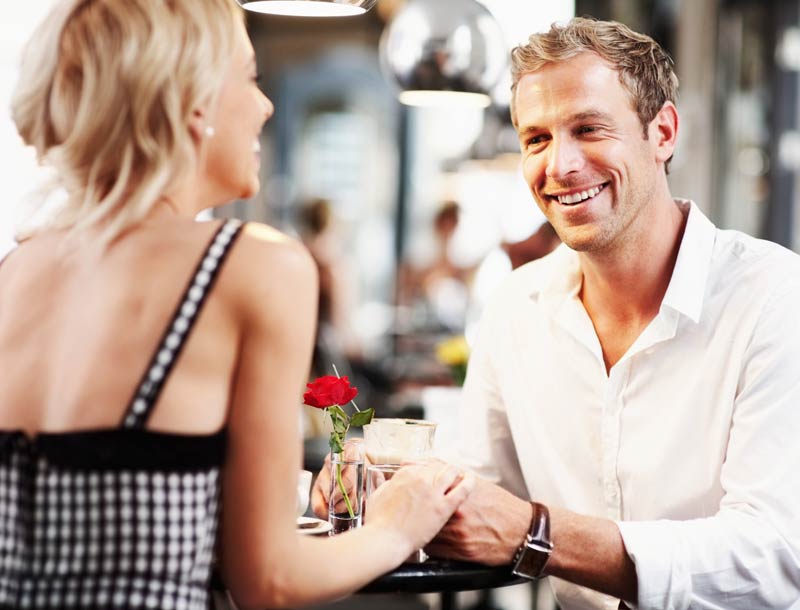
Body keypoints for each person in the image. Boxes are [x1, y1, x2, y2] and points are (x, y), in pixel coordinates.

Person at [313, 17, 800, 610]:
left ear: (663, 132)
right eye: (536, 138)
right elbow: (481, 484)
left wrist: (536, 532)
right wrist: (392, 486)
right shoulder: (516, 305)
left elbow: (773, 554)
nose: (560, 166)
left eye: (589, 128)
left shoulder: (775, 296)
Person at [0, 1, 473, 609]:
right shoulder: (251, 264)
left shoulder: (17, 269)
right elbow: (270, 581)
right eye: (249, 77)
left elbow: (92, 501)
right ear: (192, 100)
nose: (266, 105)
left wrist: (291, 493)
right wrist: (398, 524)